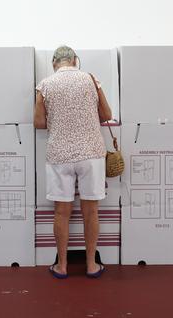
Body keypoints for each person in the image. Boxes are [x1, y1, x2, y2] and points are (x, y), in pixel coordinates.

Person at [34, 46, 113, 279]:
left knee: (62, 212)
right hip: (91, 153)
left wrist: (60, 120)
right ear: (75, 60)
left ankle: (62, 266)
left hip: (60, 155)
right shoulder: (90, 79)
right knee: (91, 211)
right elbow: (107, 114)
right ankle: (91, 265)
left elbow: (38, 122)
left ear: (54, 63)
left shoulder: (45, 85)